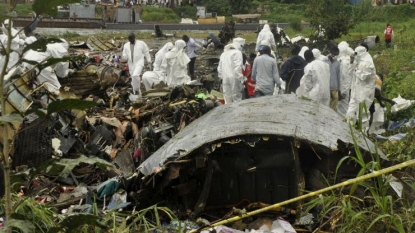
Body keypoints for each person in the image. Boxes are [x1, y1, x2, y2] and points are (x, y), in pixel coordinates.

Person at [346, 46, 376, 125]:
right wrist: (352, 62)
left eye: (356, 54)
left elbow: (364, 77)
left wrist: (356, 70)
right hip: (356, 90)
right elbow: (349, 72)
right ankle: (348, 129)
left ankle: (363, 133)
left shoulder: (368, 62)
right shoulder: (358, 59)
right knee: (350, 111)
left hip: (365, 91)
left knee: (362, 114)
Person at [337, 41, 354, 117]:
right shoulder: (349, 60)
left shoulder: (343, 62)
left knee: (343, 108)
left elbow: (345, 77)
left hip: (344, 89)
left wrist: (343, 91)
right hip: (350, 87)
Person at [325, 46, 341, 111]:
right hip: (326, 88)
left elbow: (338, 76)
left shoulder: (337, 63)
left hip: (335, 89)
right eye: (334, 55)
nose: (335, 56)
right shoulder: (324, 61)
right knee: (326, 108)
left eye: (336, 55)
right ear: (330, 52)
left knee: (333, 109)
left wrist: (339, 90)